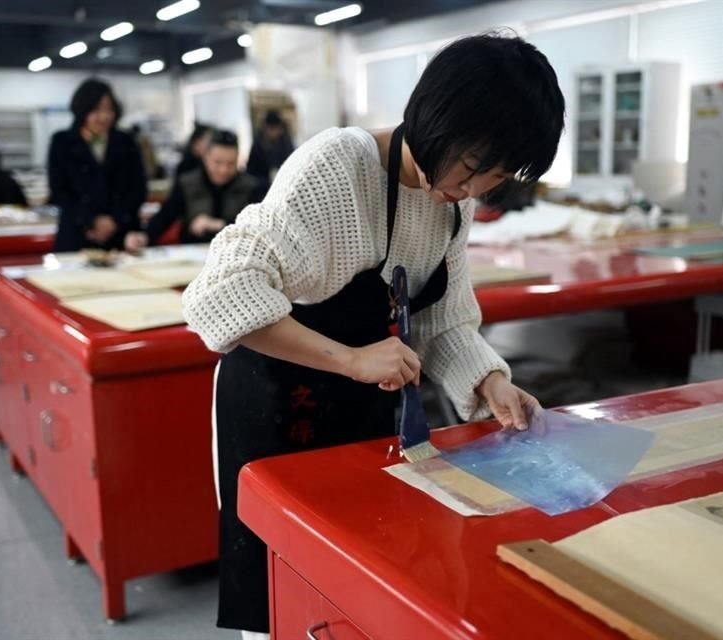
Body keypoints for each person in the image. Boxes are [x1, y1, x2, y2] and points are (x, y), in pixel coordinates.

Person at [181, 33, 565, 638]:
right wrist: (351, 358)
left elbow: (446, 320)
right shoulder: (336, 168)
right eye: (470, 168)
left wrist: (493, 384)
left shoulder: (451, 205)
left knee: (350, 577)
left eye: (490, 180)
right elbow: (219, 296)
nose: (471, 193)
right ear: (437, 119)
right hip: (278, 401)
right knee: (276, 590)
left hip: (363, 395)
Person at [47, 78, 147, 252]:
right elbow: (59, 190)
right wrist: (91, 221)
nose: (104, 116)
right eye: (96, 110)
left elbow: (138, 188)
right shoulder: (62, 142)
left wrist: (113, 221)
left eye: (109, 110)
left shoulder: (126, 141)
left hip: (122, 236)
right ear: (81, 111)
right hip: (77, 234)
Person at [125, 130, 261, 250]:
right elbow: (166, 215)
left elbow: (258, 227)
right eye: (218, 162)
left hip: (236, 254)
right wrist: (144, 236)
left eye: (231, 164)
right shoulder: (187, 183)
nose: (223, 170)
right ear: (205, 157)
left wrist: (219, 224)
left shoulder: (250, 186)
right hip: (192, 253)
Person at [245, 110, 294, 191]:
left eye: (276, 129)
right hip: (262, 187)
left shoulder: (286, 143)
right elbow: (250, 172)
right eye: (271, 129)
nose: (274, 132)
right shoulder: (258, 145)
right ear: (266, 128)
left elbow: (292, 163)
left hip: (283, 184)